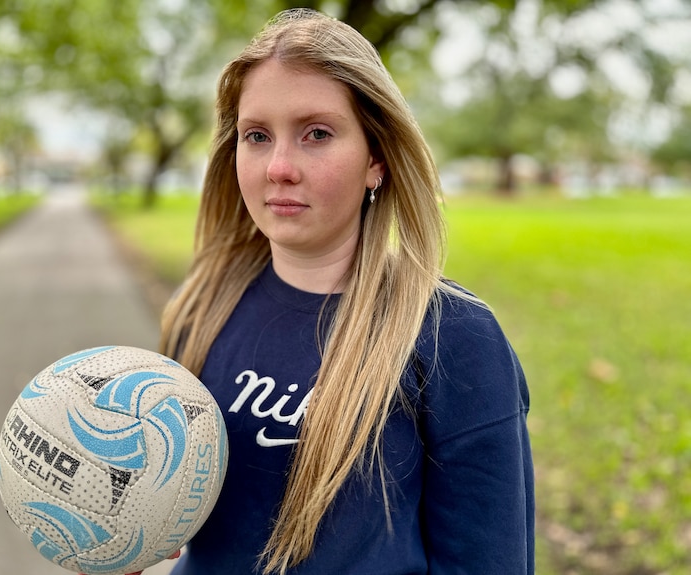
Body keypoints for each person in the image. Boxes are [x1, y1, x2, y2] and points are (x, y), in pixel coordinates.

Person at [152, 8, 534, 575]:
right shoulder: (202, 306)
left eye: (317, 134)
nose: (279, 167)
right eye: (257, 136)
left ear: (375, 159)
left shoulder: (454, 337)